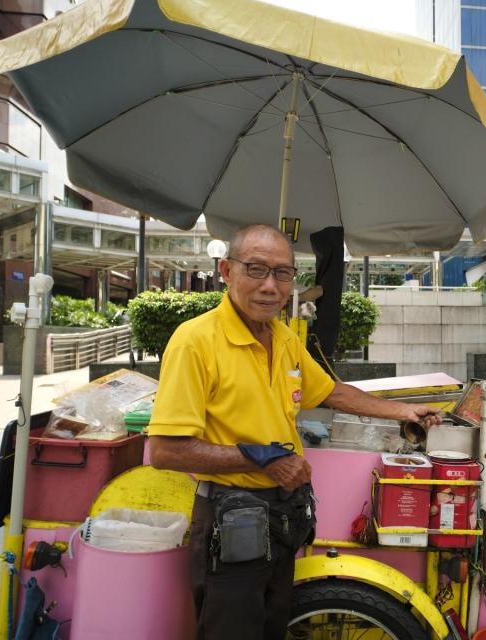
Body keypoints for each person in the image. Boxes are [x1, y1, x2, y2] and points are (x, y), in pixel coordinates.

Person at [148, 224, 443, 640]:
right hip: (231, 521)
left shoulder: (283, 337)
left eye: (283, 273)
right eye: (256, 270)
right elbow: (166, 452)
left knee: (274, 627)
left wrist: (404, 410)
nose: (270, 286)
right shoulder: (195, 342)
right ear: (226, 271)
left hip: (282, 517)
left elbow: (331, 392)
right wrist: (265, 460)